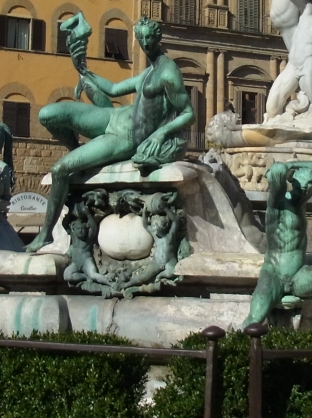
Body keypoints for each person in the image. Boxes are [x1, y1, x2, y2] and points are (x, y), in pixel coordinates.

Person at [31, 16, 194, 250]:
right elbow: (113, 89)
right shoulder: (149, 71)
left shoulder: (168, 72)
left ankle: (45, 234)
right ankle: (79, 153)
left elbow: (189, 113)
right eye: (141, 38)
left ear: (158, 38)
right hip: (114, 117)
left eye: (149, 37)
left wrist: (160, 133)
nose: (145, 43)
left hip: (126, 137)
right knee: (47, 114)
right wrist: (84, 70)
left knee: (59, 170)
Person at [244, 160, 312, 333]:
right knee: (254, 320)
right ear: (294, 182)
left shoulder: (301, 202)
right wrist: (288, 169)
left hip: (299, 274)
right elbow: (278, 170)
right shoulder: (276, 205)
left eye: (311, 185)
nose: (308, 189)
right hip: (274, 274)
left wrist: (295, 165)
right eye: (305, 185)